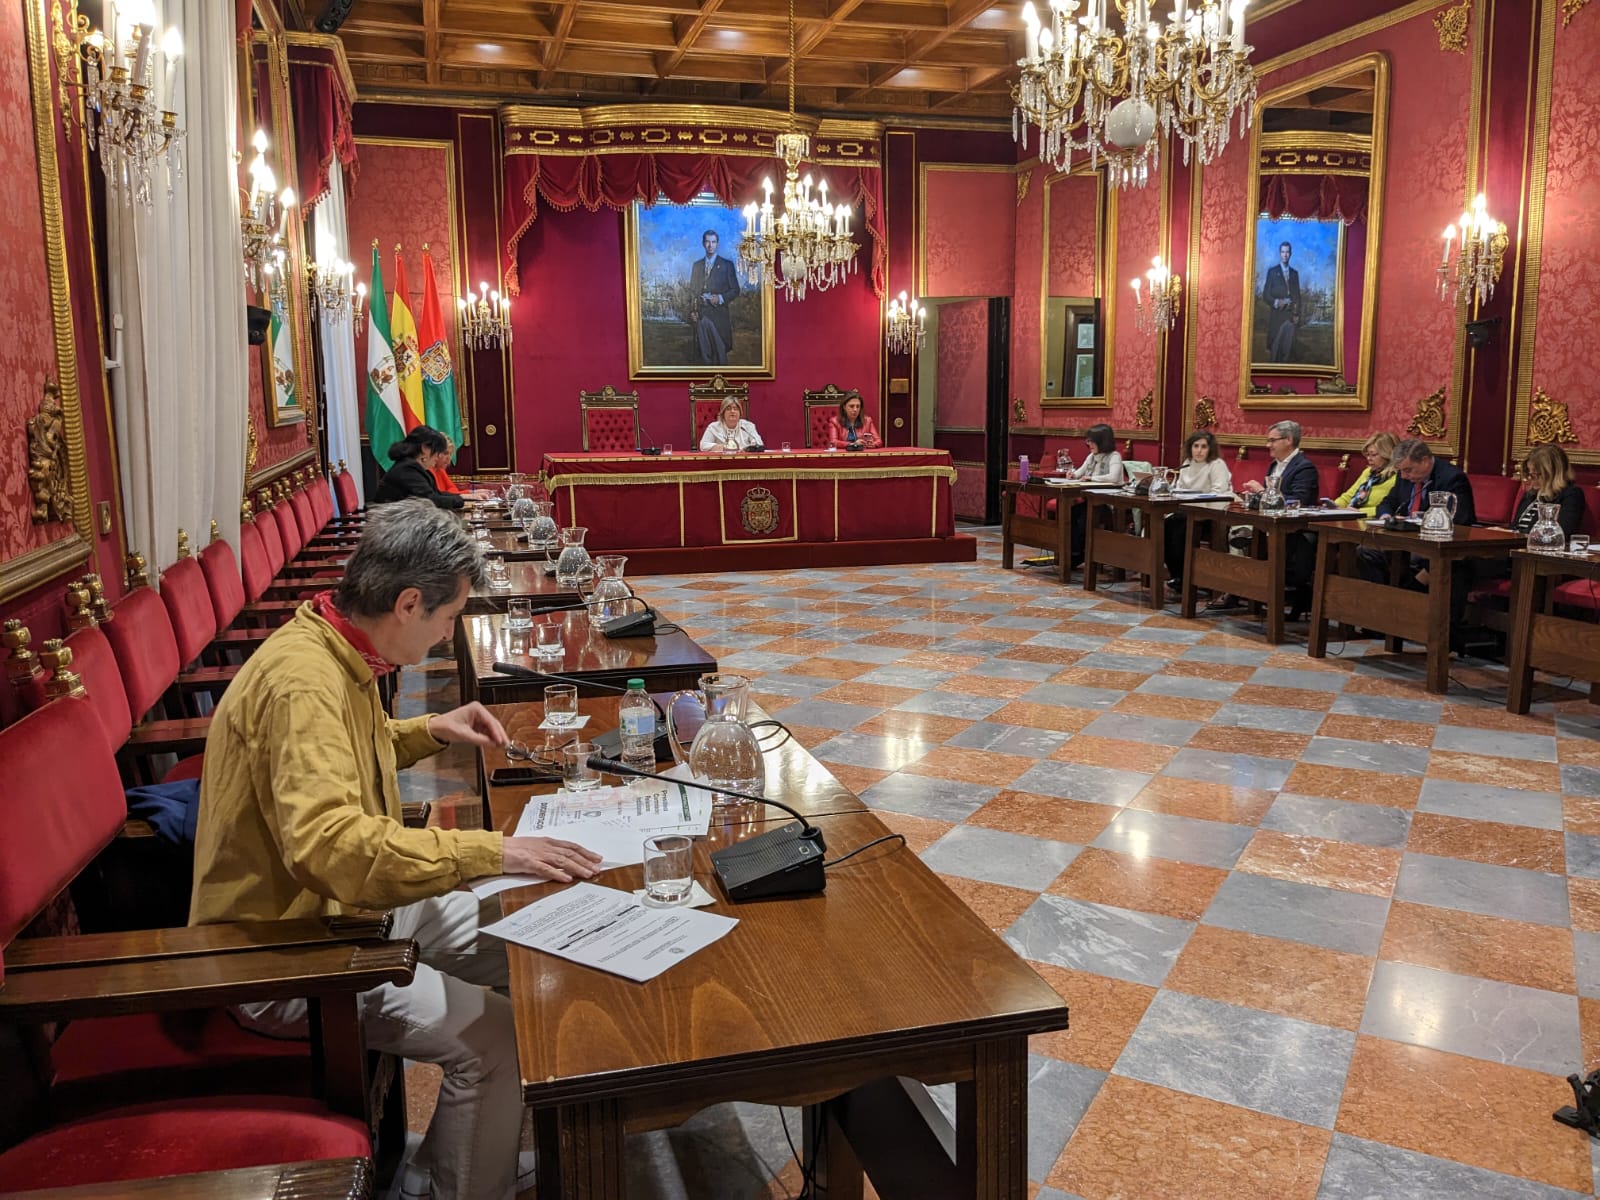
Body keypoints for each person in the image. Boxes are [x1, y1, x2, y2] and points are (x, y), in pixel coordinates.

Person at [189, 501, 603, 1200]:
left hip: (347, 910)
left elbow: (354, 747)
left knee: (529, 935)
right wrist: (488, 851)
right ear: (409, 602)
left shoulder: (331, 644)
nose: (448, 634)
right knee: (494, 1041)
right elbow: (331, 847)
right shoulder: (302, 684)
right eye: (449, 617)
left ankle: (449, 1165)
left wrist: (430, 729)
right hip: (283, 950)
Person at [1360, 438, 1479, 642]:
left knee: (1438, 568)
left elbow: (1460, 520)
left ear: (1424, 460)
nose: (1405, 476)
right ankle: (1380, 618)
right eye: (1402, 471)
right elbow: (1387, 502)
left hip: (1435, 547)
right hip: (1404, 542)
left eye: (1409, 470)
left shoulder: (1452, 478)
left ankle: (1402, 616)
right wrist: (1386, 516)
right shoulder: (1404, 476)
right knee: (1366, 551)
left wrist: (1421, 521)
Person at [1216, 421, 1320, 615]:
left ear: (1288, 440)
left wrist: (1262, 492)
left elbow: (1300, 501)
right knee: (1234, 529)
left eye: (1272, 440)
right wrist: (1254, 498)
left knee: (1248, 537)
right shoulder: (1275, 465)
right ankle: (1239, 588)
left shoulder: (1304, 468)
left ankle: (1243, 591)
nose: (1268, 445)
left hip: (1293, 527)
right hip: (1269, 523)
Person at [1474, 445, 1585, 584]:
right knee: (1461, 562)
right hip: (1510, 552)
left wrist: (1512, 534)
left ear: (1552, 473)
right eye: (1530, 474)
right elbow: (1516, 527)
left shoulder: (1571, 495)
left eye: (1536, 475)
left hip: (1533, 558)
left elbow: (1560, 534)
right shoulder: (1531, 494)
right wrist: (1502, 532)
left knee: (1463, 565)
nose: (1531, 479)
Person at [1164, 430, 1233, 588]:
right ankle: (1177, 574)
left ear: (1210, 449)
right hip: (1187, 510)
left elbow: (1219, 492)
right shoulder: (1187, 463)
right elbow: (1179, 488)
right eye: (1196, 446)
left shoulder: (1216, 464)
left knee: (1179, 525)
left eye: (1203, 446)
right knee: (1165, 526)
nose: (1199, 450)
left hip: (1210, 512)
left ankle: (1185, 577)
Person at [1068, 424, 1124, 569]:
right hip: (1091, 501)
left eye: (1092, 441)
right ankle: (1073, 552)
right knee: (1071, 513)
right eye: (1088, 441)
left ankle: (1082, 554)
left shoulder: (1114, 456)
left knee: (1084, 518)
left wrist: (1092, 478)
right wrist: (1072, 475)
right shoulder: (1091, 457)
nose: (1089, 444)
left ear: (1103, 441)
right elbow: (1080, 472)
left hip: (1108, 503)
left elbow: (1113, 477)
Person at [376, 426, 465, 510]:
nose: (438, 457)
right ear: (425, 449)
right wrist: (458, 501)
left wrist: (459, 498)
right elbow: (429, 500)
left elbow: (436, 493)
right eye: (437, 452)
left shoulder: (414, 468)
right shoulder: (407, 470)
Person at [689, 230, 740, 365]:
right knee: (704, 357)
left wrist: (720, 298)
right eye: (707, 242)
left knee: (720, 356)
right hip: (701, 317)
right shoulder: (697, 266)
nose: (710, 245)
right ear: (703, 244)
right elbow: (692, 292)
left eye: (713, 242)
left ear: (717, 244)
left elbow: (735, 290)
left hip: (719, 318)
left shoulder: (727, 265)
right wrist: (693, 311)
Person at [1334, 431, 1400, 516]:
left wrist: (1360, 512)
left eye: (1373, 455)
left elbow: (1389, 507)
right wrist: (1334, 505)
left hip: (1373, 518)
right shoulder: (1368, 472)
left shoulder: (1398, 477)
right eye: (1367, 455)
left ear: (1388, 455)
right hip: (1353, 515)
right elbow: (1348, 497)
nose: (1369, 458)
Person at [1262, 241, 1302, 363]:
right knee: (1275, 352)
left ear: (1290, 254)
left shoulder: (1294, 274)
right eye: (1283, 252)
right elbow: (1266, 295)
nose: (1285, 255)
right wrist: (1276, 302)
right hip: (1277, 318)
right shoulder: (1272, 272)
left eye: (1287, 252)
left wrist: (1297, 314)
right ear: (1280, 253)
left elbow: (1298, 297)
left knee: (1287, 354)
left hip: (1290, 319)